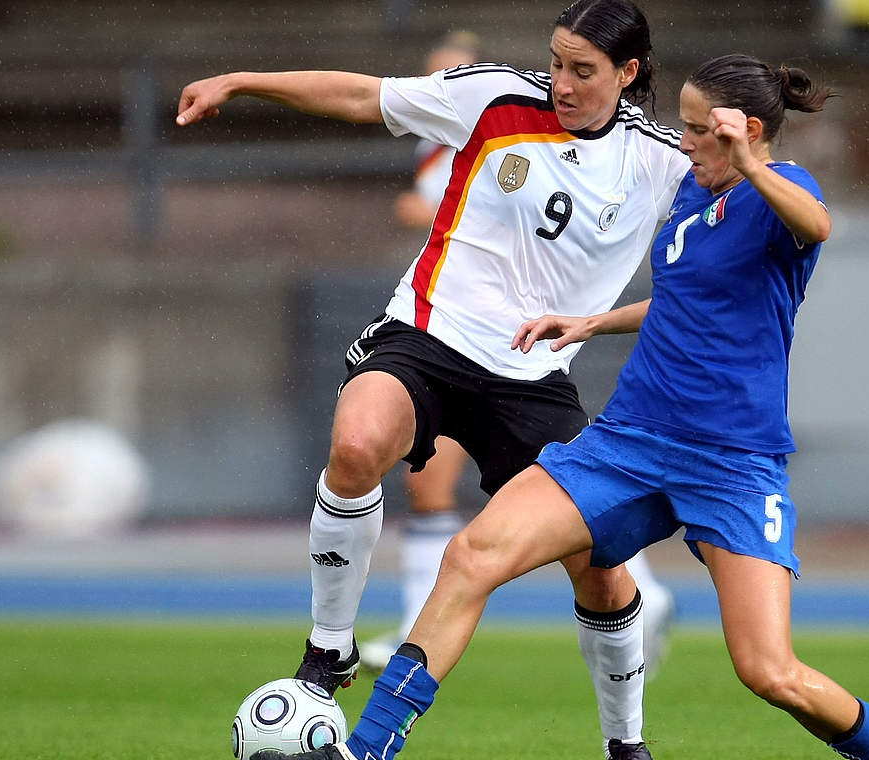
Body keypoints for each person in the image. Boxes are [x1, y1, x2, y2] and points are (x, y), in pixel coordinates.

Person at [254, 54, 869, 760]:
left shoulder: (782, 192)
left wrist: (747, 165)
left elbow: (817, 225)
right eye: (684, 124)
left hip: (733, 465)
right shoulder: (688, 198)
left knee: (769, 672)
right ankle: (369, 747)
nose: (686, 140)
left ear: (744, 132)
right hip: (630, 443)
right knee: (472, 556)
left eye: (701, 128)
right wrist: (591, 322)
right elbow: (686, 302)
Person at [176, 2, 687, 758]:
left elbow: (745, 223)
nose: (562, 83)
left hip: (534, 379)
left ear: (628, 73)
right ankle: (328, 651)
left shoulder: (660, 160)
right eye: (556, 62)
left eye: (583, 70)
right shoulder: (494, 99)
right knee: (356, 443)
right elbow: (362, 96)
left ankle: (626, 743)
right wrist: (245, 80)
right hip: (429, 337)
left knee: (603, 570)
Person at [368, 26, 676, 677]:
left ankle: (643, 593)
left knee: (572, 517)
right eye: (437, 69)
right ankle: (412, 621)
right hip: (455, 334)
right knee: (430, 488)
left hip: (515, 352)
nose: (445, 79)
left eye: (454, 67)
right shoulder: (448, 141)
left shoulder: (510, 127)